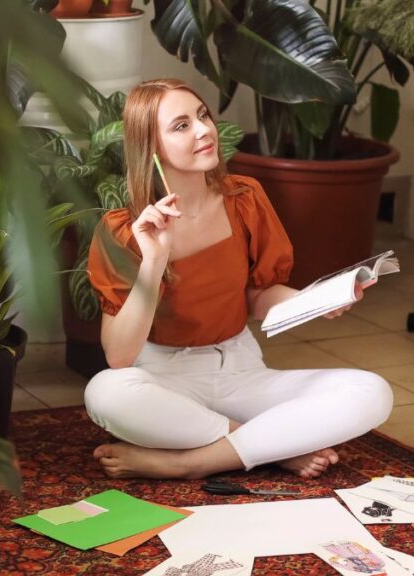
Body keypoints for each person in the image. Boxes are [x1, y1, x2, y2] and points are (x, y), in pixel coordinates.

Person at [83, 78, 393, 480]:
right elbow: (120, 358)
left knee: (372, 392)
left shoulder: (244, 199)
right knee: (106, 394)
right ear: (151, 147)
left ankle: (190, 461)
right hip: (165, 379)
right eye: (181, 126)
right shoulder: (124, 230)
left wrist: (314, 301)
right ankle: (266, 445)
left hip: (241, 371)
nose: (204, 130)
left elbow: (258, 296)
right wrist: (154, 259)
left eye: (202, 116)